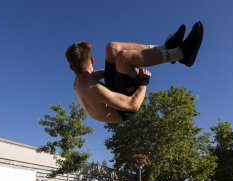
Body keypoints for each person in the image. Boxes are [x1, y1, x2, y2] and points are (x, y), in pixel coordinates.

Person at [65, 22, 204, 123]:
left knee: (112, 48)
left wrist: (112, 68)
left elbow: (97, 75)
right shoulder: (94, 89)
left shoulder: (80, 81)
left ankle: (165, 47)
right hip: (124, 110)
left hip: (111, 95)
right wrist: (144, 81)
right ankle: (181, 54)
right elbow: (133, 105)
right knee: (124, 58)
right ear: (92, 59)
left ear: (72, 68)